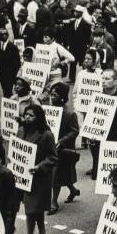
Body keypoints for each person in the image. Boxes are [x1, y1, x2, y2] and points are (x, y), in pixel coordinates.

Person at [17, 104, 58, 234]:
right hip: (24, 176)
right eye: (26, 114)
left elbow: (53, 157)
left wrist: (39, 166)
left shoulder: (46, 135)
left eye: (31, 115)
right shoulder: (21, 131)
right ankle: (41, 231)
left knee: (31, 208)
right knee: (35, 207)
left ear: (38, 118)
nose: (27, 117)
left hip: (39, 178)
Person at [48, 82, 80, 214]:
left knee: (56, 176)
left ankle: (53, 202)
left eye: (55, 95)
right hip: (50, 146)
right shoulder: (49, 111)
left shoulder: (69, 114)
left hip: (62, 149)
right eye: (51, 94)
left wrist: (62, 141)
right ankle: (73, 190)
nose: (52, 97)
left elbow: (74, 131)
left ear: (62, 97)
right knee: (62, 174)